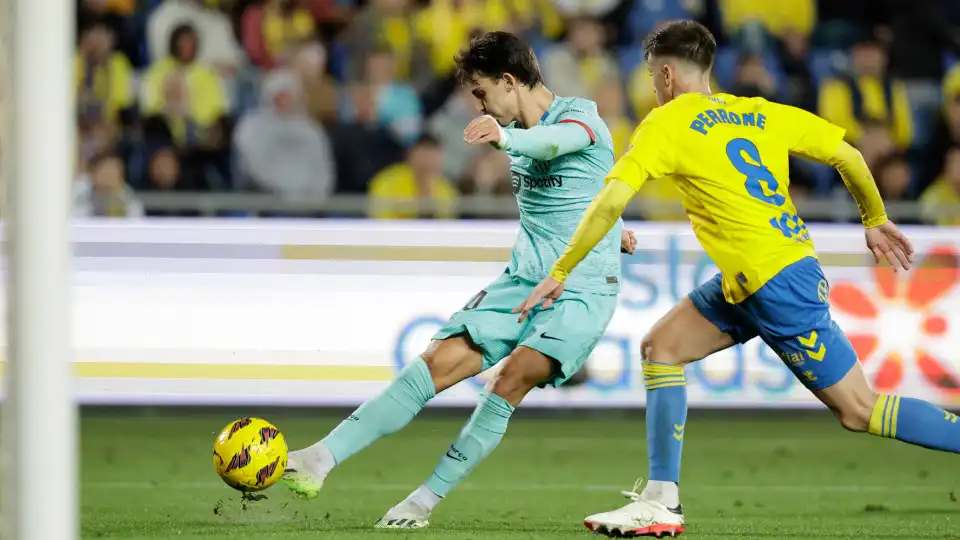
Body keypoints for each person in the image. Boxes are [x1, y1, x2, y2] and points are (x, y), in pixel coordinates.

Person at [515, 20, 959, 538]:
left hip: (775, 284)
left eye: (653, 78)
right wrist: (874, 218)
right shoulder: (758, 112)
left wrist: (561, 270)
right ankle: (662, 501)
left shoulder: (667, 122)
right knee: (661, 347)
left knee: (860, 410)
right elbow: (849, 155)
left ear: (664, 74)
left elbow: (612, 198)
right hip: (756, 277)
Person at [279, 31, 636, 529]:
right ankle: (320, 458)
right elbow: (581, 190)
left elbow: (556, 143)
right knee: (434, 363)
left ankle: (422, 501)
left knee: (511, 379)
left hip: (581, 291)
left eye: (482, 91)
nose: (479, 103)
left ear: (509, 82)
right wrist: (613, 226)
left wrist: (506, 137)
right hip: (521, 282)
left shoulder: (581, 116)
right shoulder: (515, 131)